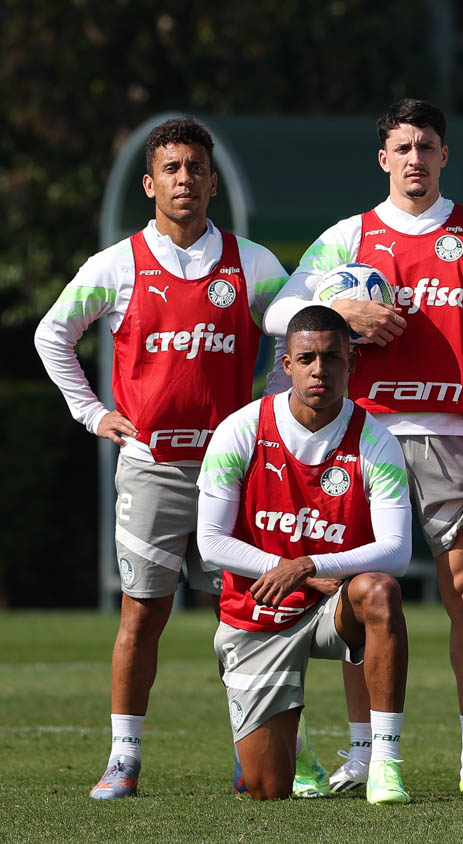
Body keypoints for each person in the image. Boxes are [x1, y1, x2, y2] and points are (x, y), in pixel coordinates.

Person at [262, 99, 463, 794]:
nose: (415, 158)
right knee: (363, 593)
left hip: (456, 437)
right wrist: (339, 313)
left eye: (427, 146)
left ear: (445, 156)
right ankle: (365, 754)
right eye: (403, 147)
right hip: (368, 435)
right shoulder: (348, 236)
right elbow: (275, 312)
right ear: (383, 158)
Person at [33, 117, 292, 799]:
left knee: (241, 614)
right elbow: (51, 334)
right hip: (150, 466)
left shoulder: (254, 262)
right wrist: (92, 413)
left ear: (212, 181)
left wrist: (270, 404)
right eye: (171, 169)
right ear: (151, 184)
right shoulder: (115, 264)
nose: (185, 179)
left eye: (195, 168)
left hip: (233, 472)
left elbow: (301, 333)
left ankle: (254, 754)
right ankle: (124, 759)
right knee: (142, 613)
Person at [195, 305, 414, 803]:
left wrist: (311, 565)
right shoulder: (241, 429)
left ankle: (384, 764)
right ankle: (301, 750)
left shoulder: (375, 440)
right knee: (266, 789)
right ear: (287, 365)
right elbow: (211, 543)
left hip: (334, 604)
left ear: (351, 362)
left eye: (332, 358)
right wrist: (292, 572)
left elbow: (397, 551)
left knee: (380, 590)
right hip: (260, 607)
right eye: (308, 358)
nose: (321, 370)